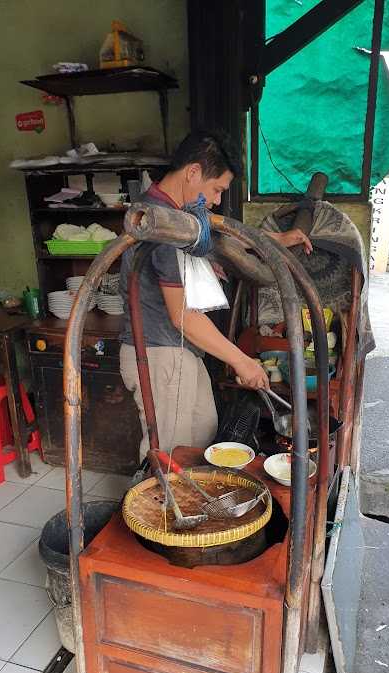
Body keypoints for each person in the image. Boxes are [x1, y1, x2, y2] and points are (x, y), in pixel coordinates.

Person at [119, 130, 312, 460]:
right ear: (193, 172)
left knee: (204, 435)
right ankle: (154, 510)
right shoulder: (159, 224)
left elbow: (224, 231)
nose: (218, 198)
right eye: (217, 189)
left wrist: (278, 239)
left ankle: (190, 510)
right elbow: (185, 318)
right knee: (168, 458)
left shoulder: (181, 215)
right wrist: (241, 360)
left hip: (181, 350)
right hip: (158, 352)